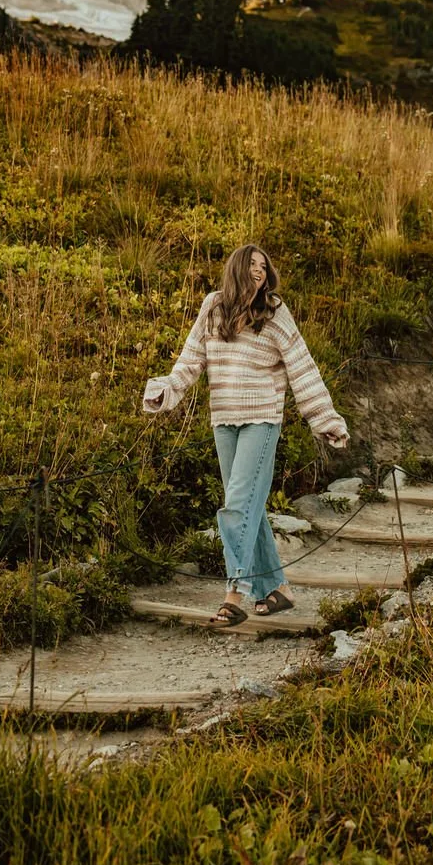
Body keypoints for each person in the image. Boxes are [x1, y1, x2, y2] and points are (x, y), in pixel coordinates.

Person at [142, 243, 349, 627]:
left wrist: (327, 421)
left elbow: (303, 369)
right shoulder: (213, 307)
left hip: (261, 421)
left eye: (264, 265)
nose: (260, 270)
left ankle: (234, 592)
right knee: (248, 507)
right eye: (252, 264)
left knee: (237, 505)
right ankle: (277, 588)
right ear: (238, 269)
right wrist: (165, 390)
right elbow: (191, 360)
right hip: (224, 422)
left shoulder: (275, 313)